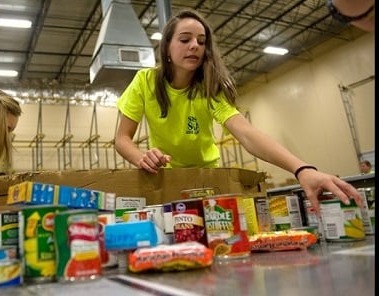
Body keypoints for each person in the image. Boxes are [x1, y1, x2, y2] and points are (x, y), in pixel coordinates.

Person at [114, 9, 363, 213]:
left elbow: (245, 133)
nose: (194, 46)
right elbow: (122, 139)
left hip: (207, 178)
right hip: (166, 178)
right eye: (185, 39)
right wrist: (141, 158)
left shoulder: (210, 87)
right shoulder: (145, 81)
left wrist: (302, 169)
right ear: (167, 46)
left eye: (201, 42)